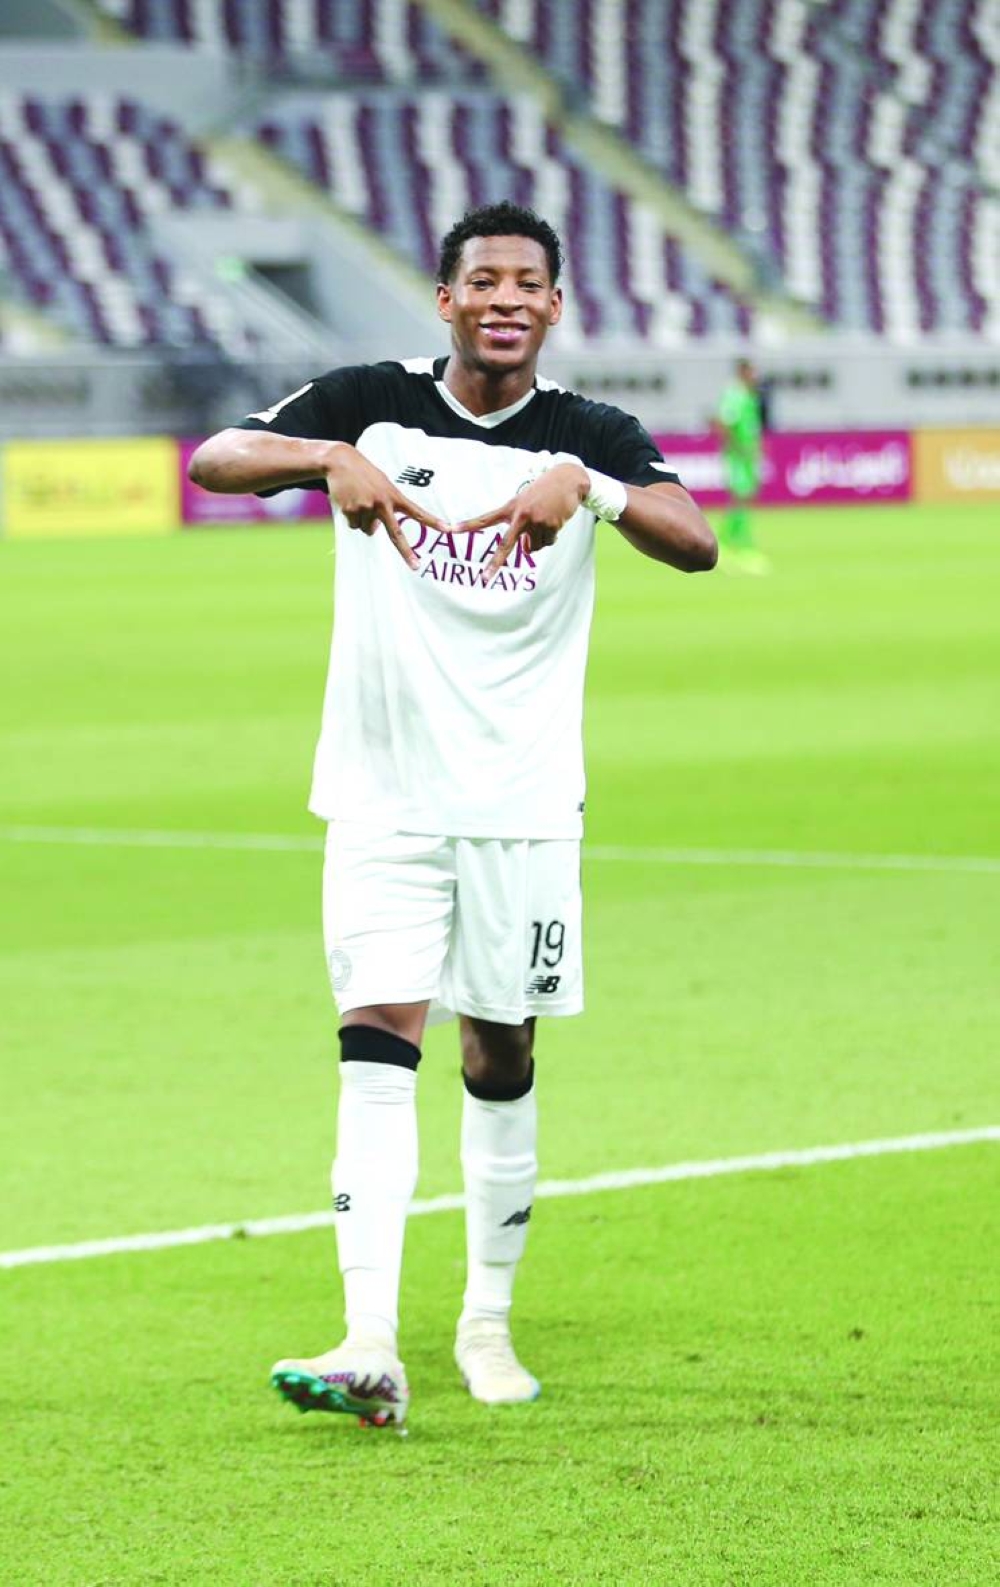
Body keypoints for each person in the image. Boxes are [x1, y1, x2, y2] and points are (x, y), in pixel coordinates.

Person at [188, 201, 717, 1429]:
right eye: (482, 279)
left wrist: (580, 490)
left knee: (501, 1049)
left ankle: (485, 1321)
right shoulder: (369, 399)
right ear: (445, 299)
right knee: (375, 1041)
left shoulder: (589, 433)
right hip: (380, 795)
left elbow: (692, 542)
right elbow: (215, 458)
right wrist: (326, 458)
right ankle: (370, 1340)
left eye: (528, 282)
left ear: (555, 305)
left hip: (524, 806)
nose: (505, 299)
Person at [714, 357, 768, 573]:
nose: (756, 377)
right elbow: (725, 422)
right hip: (738, 457)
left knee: (743, 500)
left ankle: (730, 543)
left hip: (747, 456)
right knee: (740, 499)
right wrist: (736, 448)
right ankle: (738, 546)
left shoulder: (748, 395)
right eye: (753, 372)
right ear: (743, 372)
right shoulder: (734, 394)